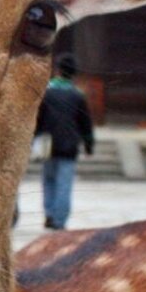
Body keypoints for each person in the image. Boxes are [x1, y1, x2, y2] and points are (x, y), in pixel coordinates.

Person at [34, 55, 94, 230]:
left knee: (48, 181)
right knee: (64, 184)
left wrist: (34, 138)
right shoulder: (77, 96)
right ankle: (60, 220)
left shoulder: (47, 93)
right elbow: (85, 123)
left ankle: (50, 214)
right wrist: (89, 145)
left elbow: (37, 119)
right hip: (69, 146)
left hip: (48, 145)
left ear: (58, 70)